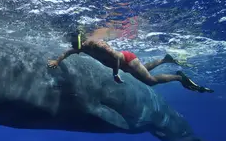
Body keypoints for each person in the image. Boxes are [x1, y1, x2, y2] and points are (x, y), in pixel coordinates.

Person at [47, 29, 214, 93]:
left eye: (77, 44)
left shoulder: (98, 44)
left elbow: (116, 57)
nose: (76, 48)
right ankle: (165, 59)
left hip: (126, 59)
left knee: (150, 81)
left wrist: (115, 74)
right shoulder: (81, 47)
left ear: (82, 39)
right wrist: (57, 61)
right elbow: (68, 53)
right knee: (142, 70)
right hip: (126, 64)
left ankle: (179, 77)